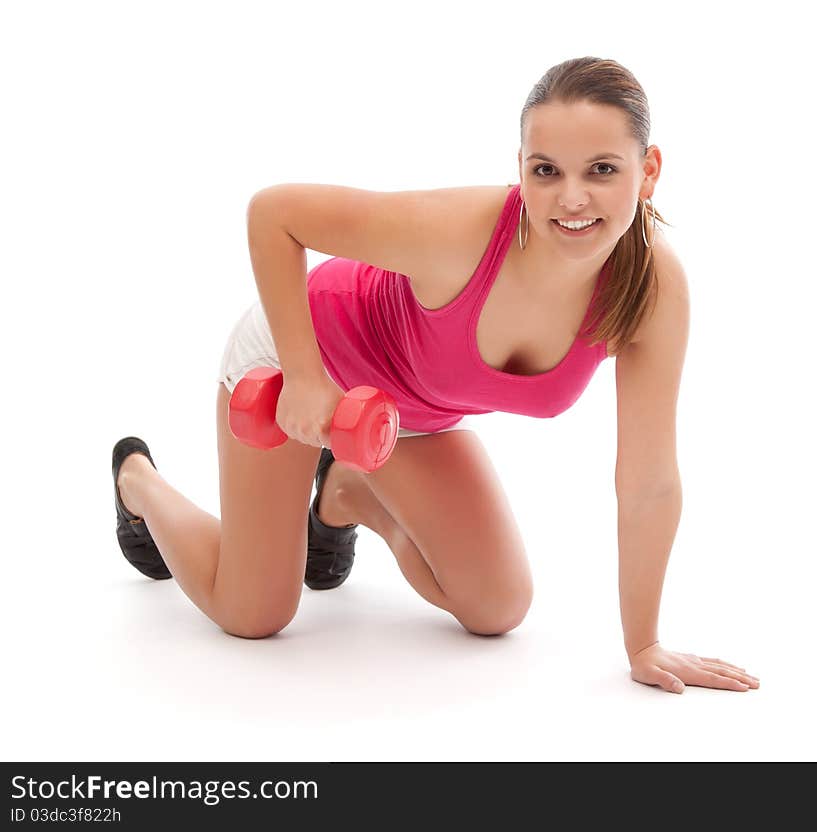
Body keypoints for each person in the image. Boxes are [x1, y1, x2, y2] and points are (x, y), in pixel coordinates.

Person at [111, 56, 759, 695]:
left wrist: (642, 643)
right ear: (521, 169)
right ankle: (138, 481)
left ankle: (345, 491)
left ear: (648, 173)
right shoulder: (462, 233)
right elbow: (274, 214)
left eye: (602, 170)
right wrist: (306, 377)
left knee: (498, 606)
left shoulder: (651, 288)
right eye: (546, 170)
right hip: (299, 360)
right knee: (253, 614)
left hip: (404, 417)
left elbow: (647, 480)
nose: (571, 198)